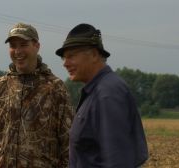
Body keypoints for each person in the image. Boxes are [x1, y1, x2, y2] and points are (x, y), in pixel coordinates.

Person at [0, 22, 73, 168]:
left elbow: (69, 144)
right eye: (13, 46)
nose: (17, 51)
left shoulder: (55, 88)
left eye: (23, 45)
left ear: (37, 46)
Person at [55, 23, 148, 168]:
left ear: (93, 54)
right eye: (64, 58)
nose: (65, 63)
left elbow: (117, 161)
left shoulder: (108, 94)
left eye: (71, 56)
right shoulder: (97, 90)